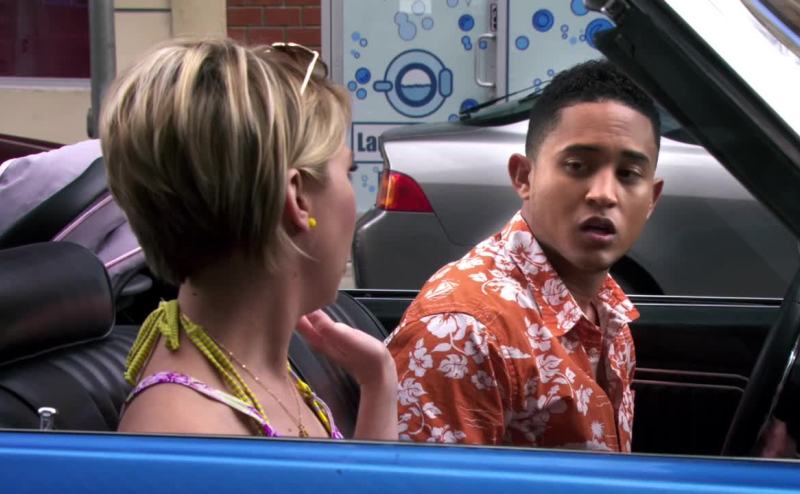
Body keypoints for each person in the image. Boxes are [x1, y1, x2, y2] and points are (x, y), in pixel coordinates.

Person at [100, 38, 397, 440]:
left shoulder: (254, 370)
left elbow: (354, 476)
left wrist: (378, 382)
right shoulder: (189, 433)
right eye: (349, 171)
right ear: (297, 198)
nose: (355, 195)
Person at [386, 59, 664, 451]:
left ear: (652, 199)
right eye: (577, 166)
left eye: (628, 174)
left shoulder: (607, 311)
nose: (603, 193)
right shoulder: (462, 331)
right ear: (523, 177)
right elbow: (423, 480)